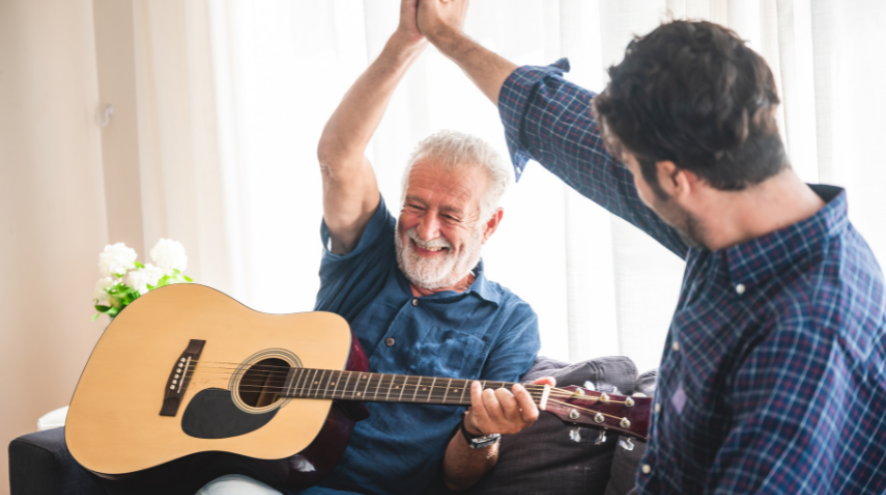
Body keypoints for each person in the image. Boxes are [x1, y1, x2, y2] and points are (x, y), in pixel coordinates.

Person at [416, 1, 886, 493]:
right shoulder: (736, 194)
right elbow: (562, 123)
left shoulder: (804, 339)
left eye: (634, 171)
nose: (626, 179)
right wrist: (446, 36)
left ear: (675, 179)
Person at [198, 1, 548, 494]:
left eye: (450, 215)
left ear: (490, 224)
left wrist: (480, 431)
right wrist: (406, 41)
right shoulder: (369, 252)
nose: (425, 231)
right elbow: (338, 157)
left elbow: (458, 478)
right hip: (265, 473)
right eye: (415, 206)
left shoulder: (509, 321)